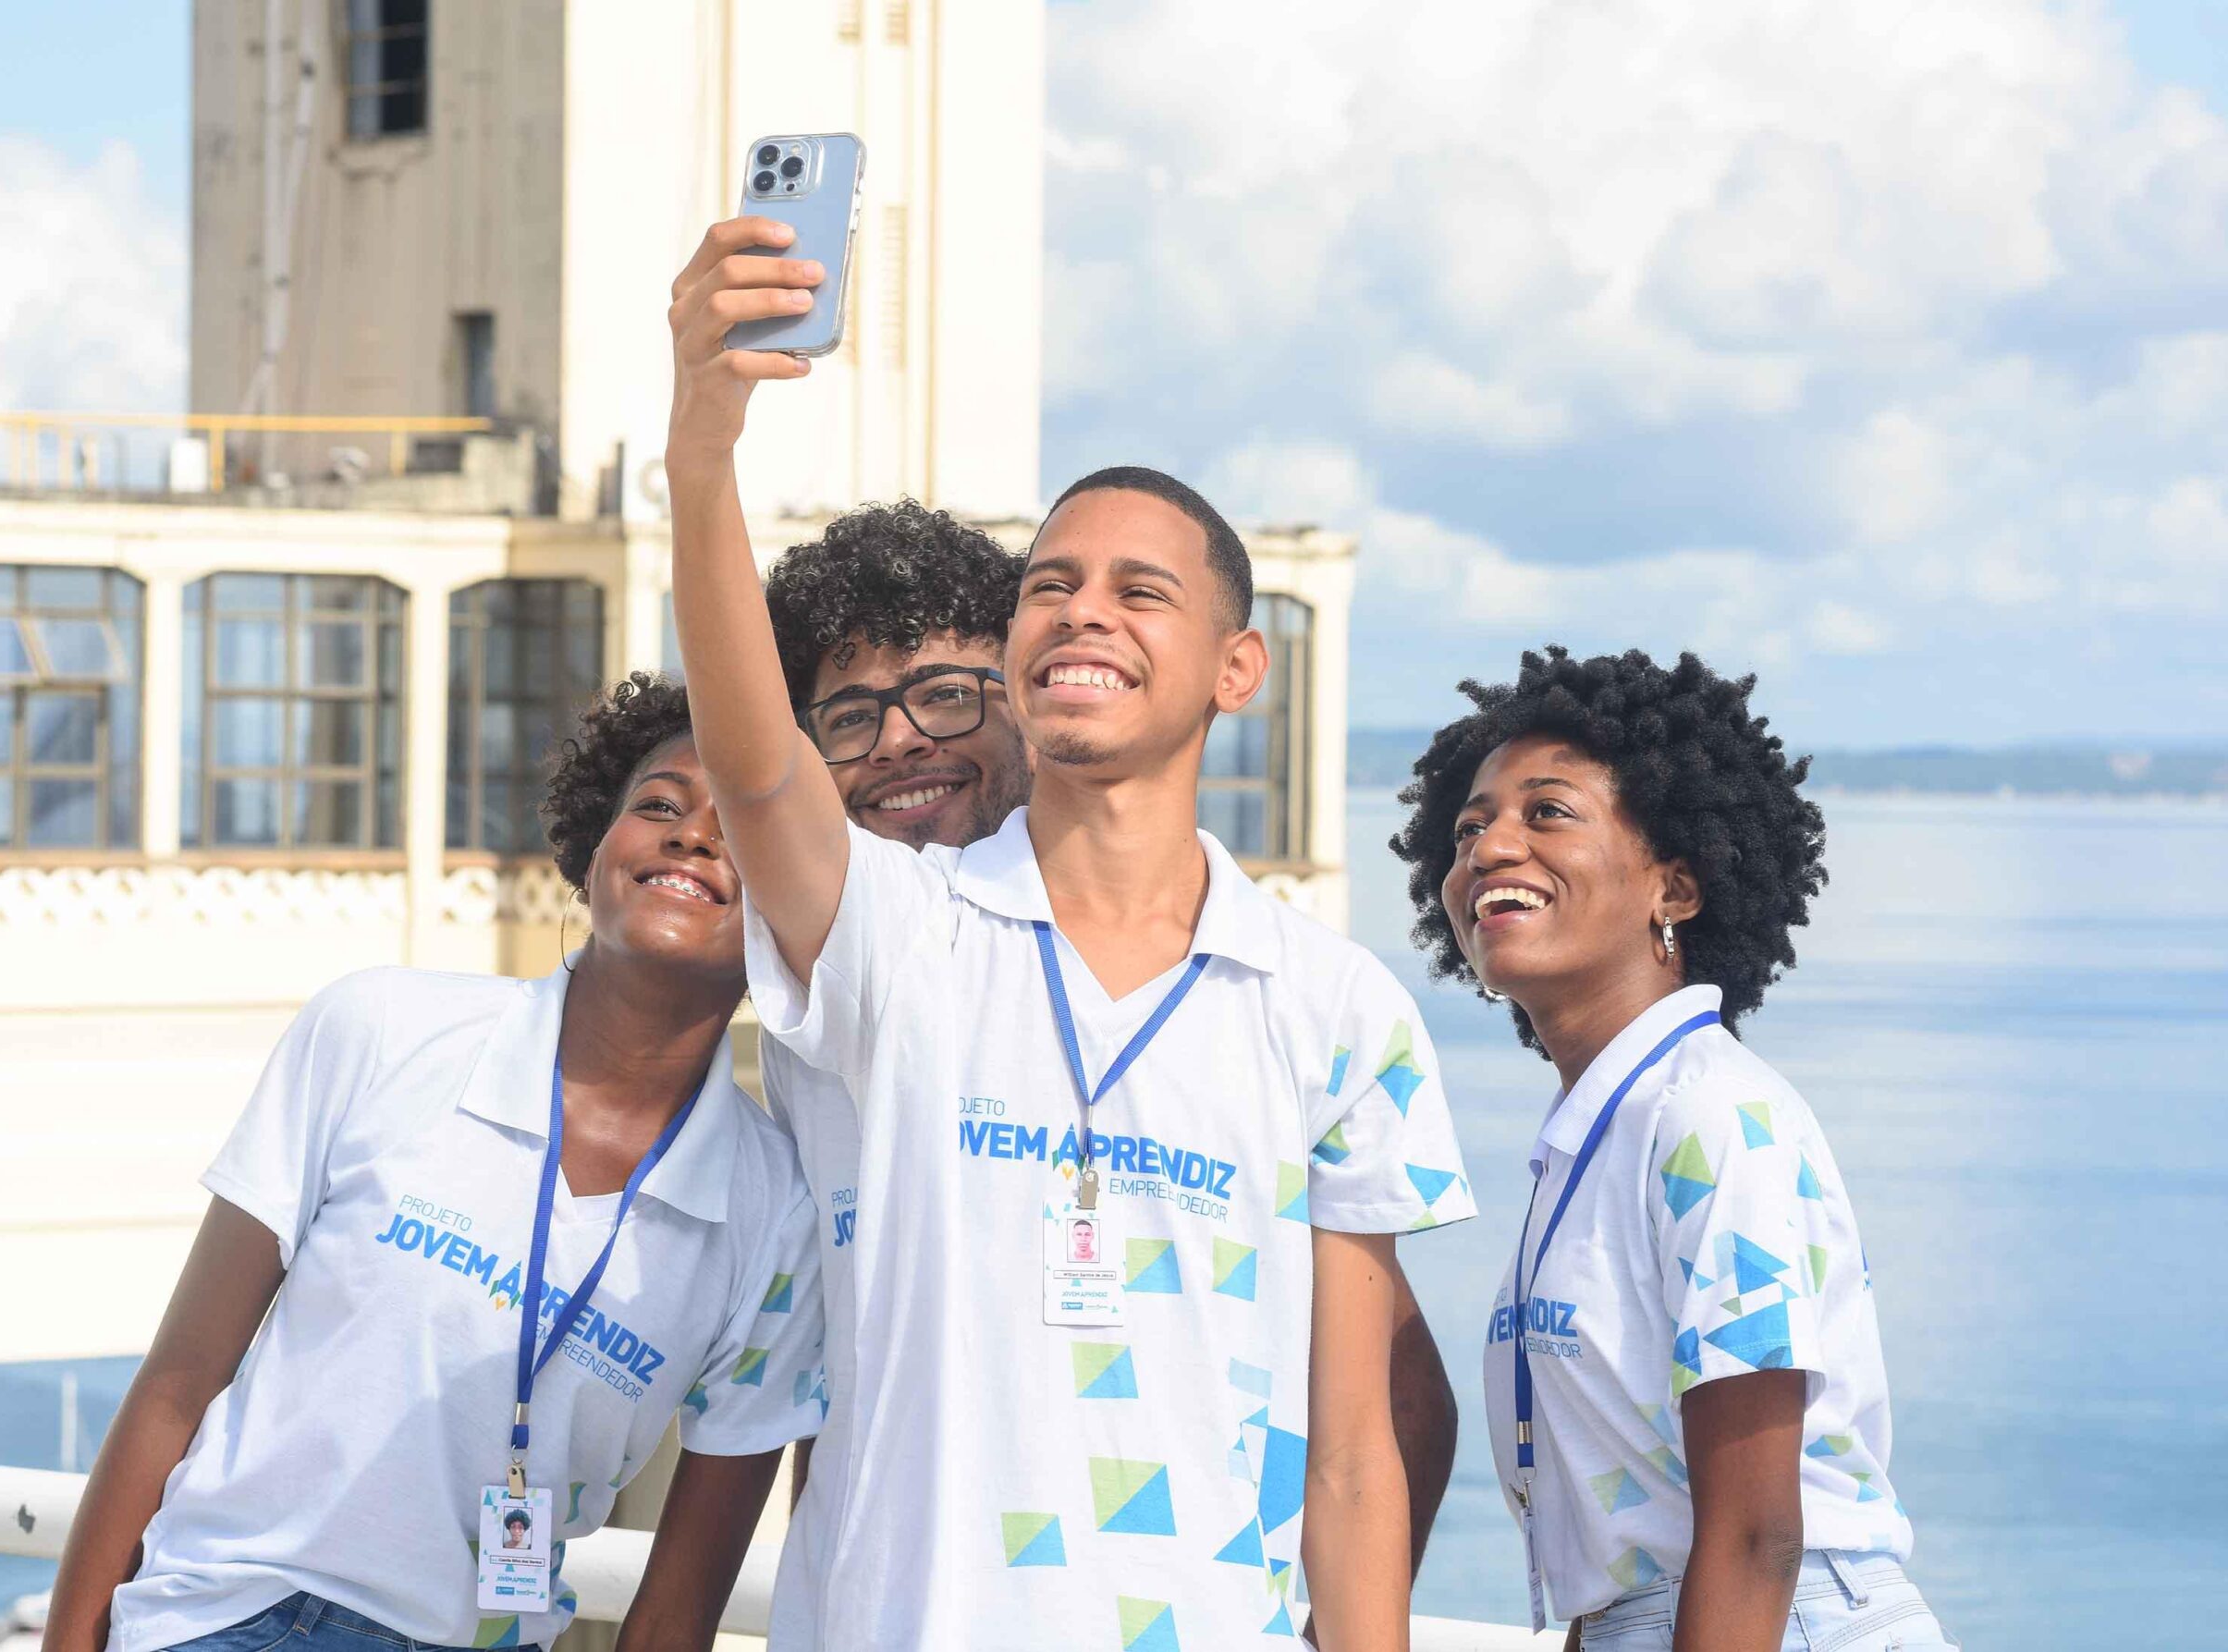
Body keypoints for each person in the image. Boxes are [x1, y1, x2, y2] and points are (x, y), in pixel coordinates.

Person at [662, 216, 1477, 1651]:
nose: (1081, 610)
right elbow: (758, 768)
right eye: (1050, 584)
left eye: (1137, 590)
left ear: (1238, 665)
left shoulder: (1336, 1003)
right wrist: (702, 448)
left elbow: (1356, 1460)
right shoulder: (903, 933)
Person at [745, 499, 1464, 1613]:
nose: (898, 740)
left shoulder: (1313, 998)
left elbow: (1380, 1416)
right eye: (848, 716)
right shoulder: (848, 957)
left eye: (945, 695)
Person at [43, 674, 826, 1652]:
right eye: (659, 806)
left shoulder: (778, 1214)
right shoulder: (379, 1029)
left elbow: (678, 1607)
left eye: (741, 827)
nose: (693, 837)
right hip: (227, 1621)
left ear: (799, 904)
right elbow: (179, 1380)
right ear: (595, 849)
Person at [1390, 647, 1952, 1651]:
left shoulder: (1708, 1113)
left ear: (1676, 889)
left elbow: (1757, 1535)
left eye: (1547, 812)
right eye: (1469, 828)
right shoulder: (1602, 1130)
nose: (1491, 847)